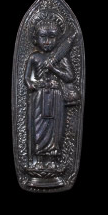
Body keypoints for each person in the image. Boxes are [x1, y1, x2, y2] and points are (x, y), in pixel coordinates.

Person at [25, 14, 76, 168]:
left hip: (55, 96)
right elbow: (27, 78)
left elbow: (70, 77)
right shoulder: (34, 57)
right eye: (43, 37)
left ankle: (52, 161)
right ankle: (39, 161)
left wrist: (54, 68)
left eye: (52, 37)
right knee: (38, 126)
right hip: (39, 96)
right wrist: (32, 84)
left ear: (58, 39)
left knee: (54, 128)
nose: (47, 42)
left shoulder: (61, 57)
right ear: (36, 38)